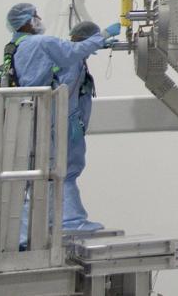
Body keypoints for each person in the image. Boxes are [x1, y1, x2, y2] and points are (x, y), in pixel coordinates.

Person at [5, 3, 120, 238]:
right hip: (56, 122)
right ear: (27, 21)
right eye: (35, 15)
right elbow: (70, 56)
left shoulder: (20, 47)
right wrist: (104, 35)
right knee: (61, 171)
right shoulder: (42, 44)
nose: (38, 18)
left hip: (42, 118)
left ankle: (32, 229)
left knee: (43, 173)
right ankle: (68, 222)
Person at [62, 21, 103, 231]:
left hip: (70, 127)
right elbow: (63, 97)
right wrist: (69, 124)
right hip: (63, 129)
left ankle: (72, 218)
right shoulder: (71, 63)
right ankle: (70, 221)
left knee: (67, 173)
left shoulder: (77, 62)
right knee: (64, 173)